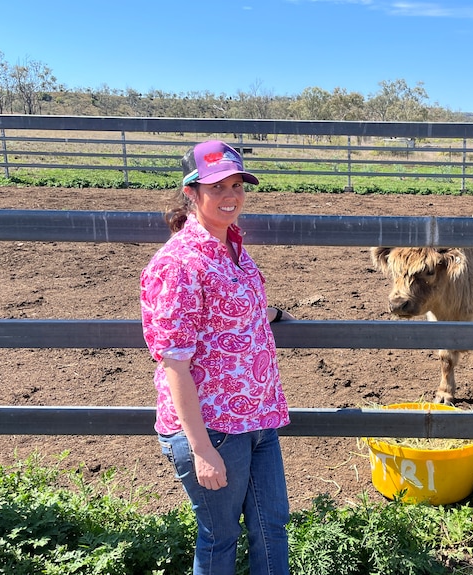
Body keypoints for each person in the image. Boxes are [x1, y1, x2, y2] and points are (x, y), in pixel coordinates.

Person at [140, 140, 294, 575]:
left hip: (258, 417)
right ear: (191, 192)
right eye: (217, 187)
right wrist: (202, 449)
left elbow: (229, 310)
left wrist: (272, 313)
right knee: (219, 536)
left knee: (273, 526)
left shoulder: (233, 249)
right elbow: (175, 363)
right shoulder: (179, 264)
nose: (231, 196)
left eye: (237, 185)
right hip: (214, 428)